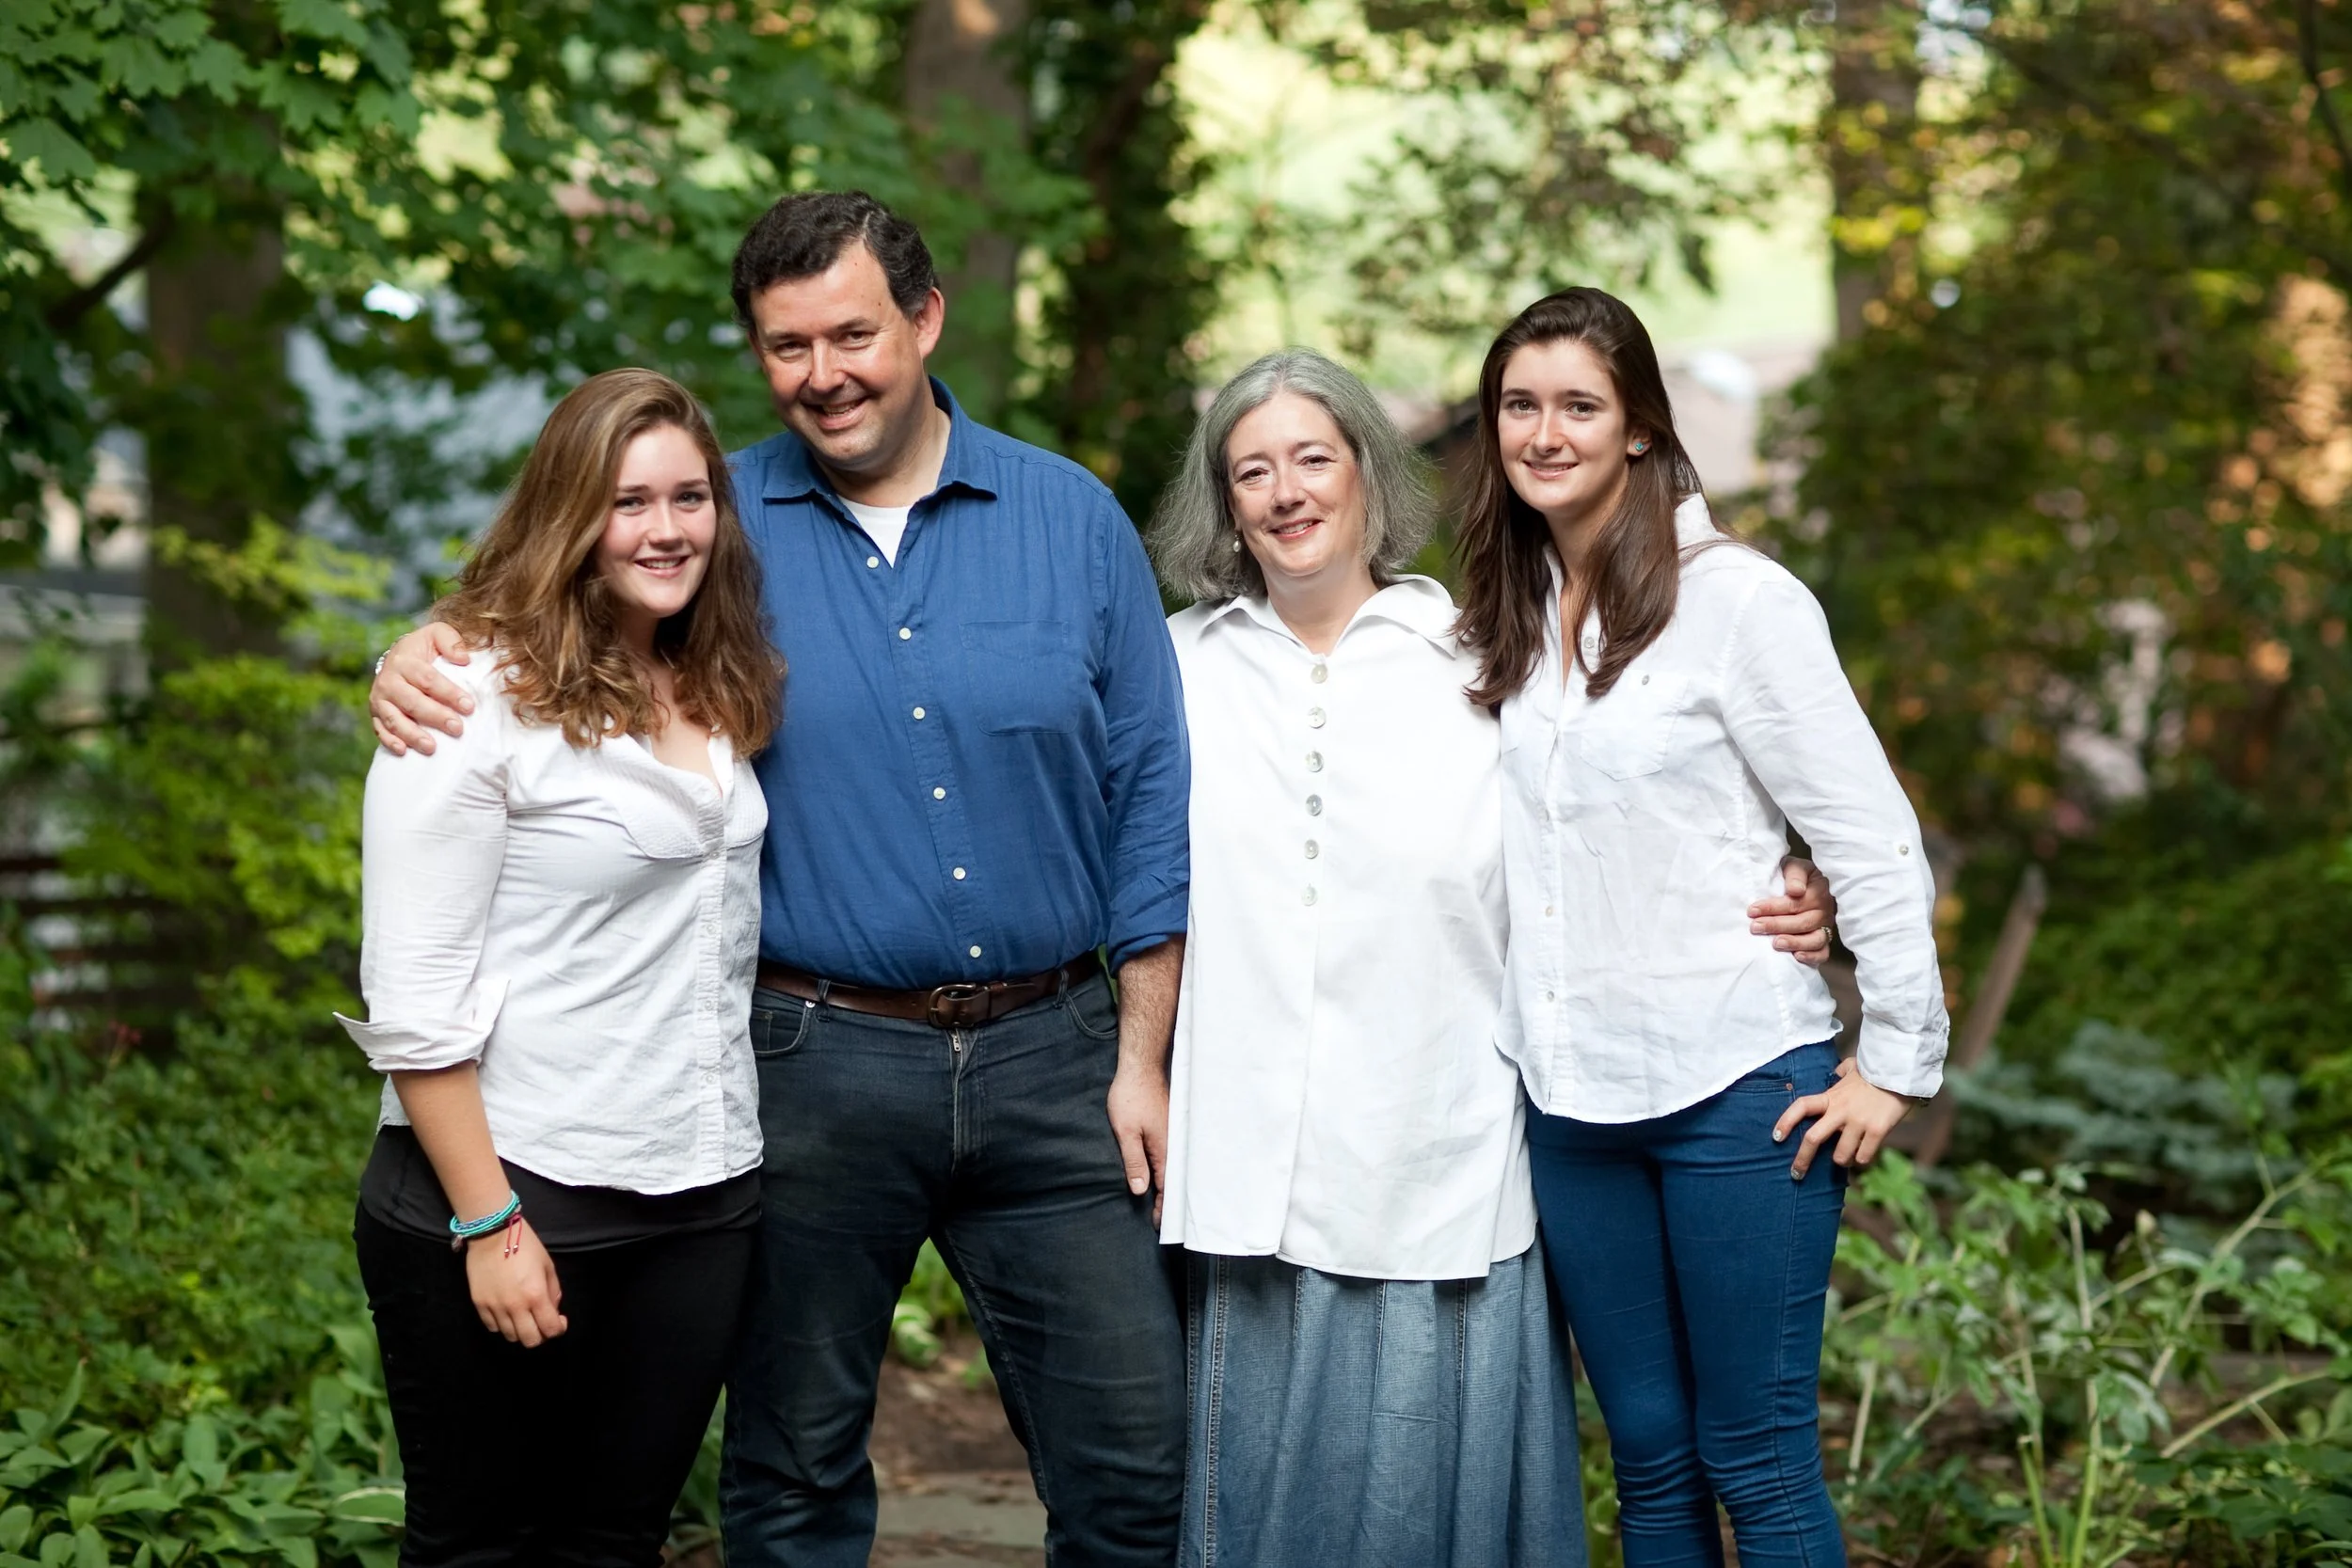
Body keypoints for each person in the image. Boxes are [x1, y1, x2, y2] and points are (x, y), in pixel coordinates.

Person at [365, 192, 1191, 1568]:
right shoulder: (713, 519)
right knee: (794, 1466)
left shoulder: (1071, 517)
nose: (826, 372)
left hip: (1060, 1059)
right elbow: (552, 596)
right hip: (815, 1062)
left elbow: (1153, 796)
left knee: (1133, 1459)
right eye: (786, 344)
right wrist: (415, 651)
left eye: (854, 331)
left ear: (923, 320)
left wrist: (1143, 1052)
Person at [1456, 287, 1950, 1568]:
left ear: (1638, 428)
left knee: (1757, 1455)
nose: (1545, 432)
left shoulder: (1741, 603)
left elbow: (1867, 830)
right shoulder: (1507, 615)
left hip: (1739, 1089)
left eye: (1580, 404)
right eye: (1521, 404)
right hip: (1572, 1105)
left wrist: (1895, 1060)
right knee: (1652, 1462)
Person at [341, 368, 780, 1568]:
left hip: (701, 1190)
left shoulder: (718, 681)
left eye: (689, 497)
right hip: (519, 1183)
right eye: (628, 500)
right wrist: (490, 1221)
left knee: (618, 1541)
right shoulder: (465, 700)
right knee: (481, 1545)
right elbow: (415, 999)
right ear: (568, 512)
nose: (665, 528)